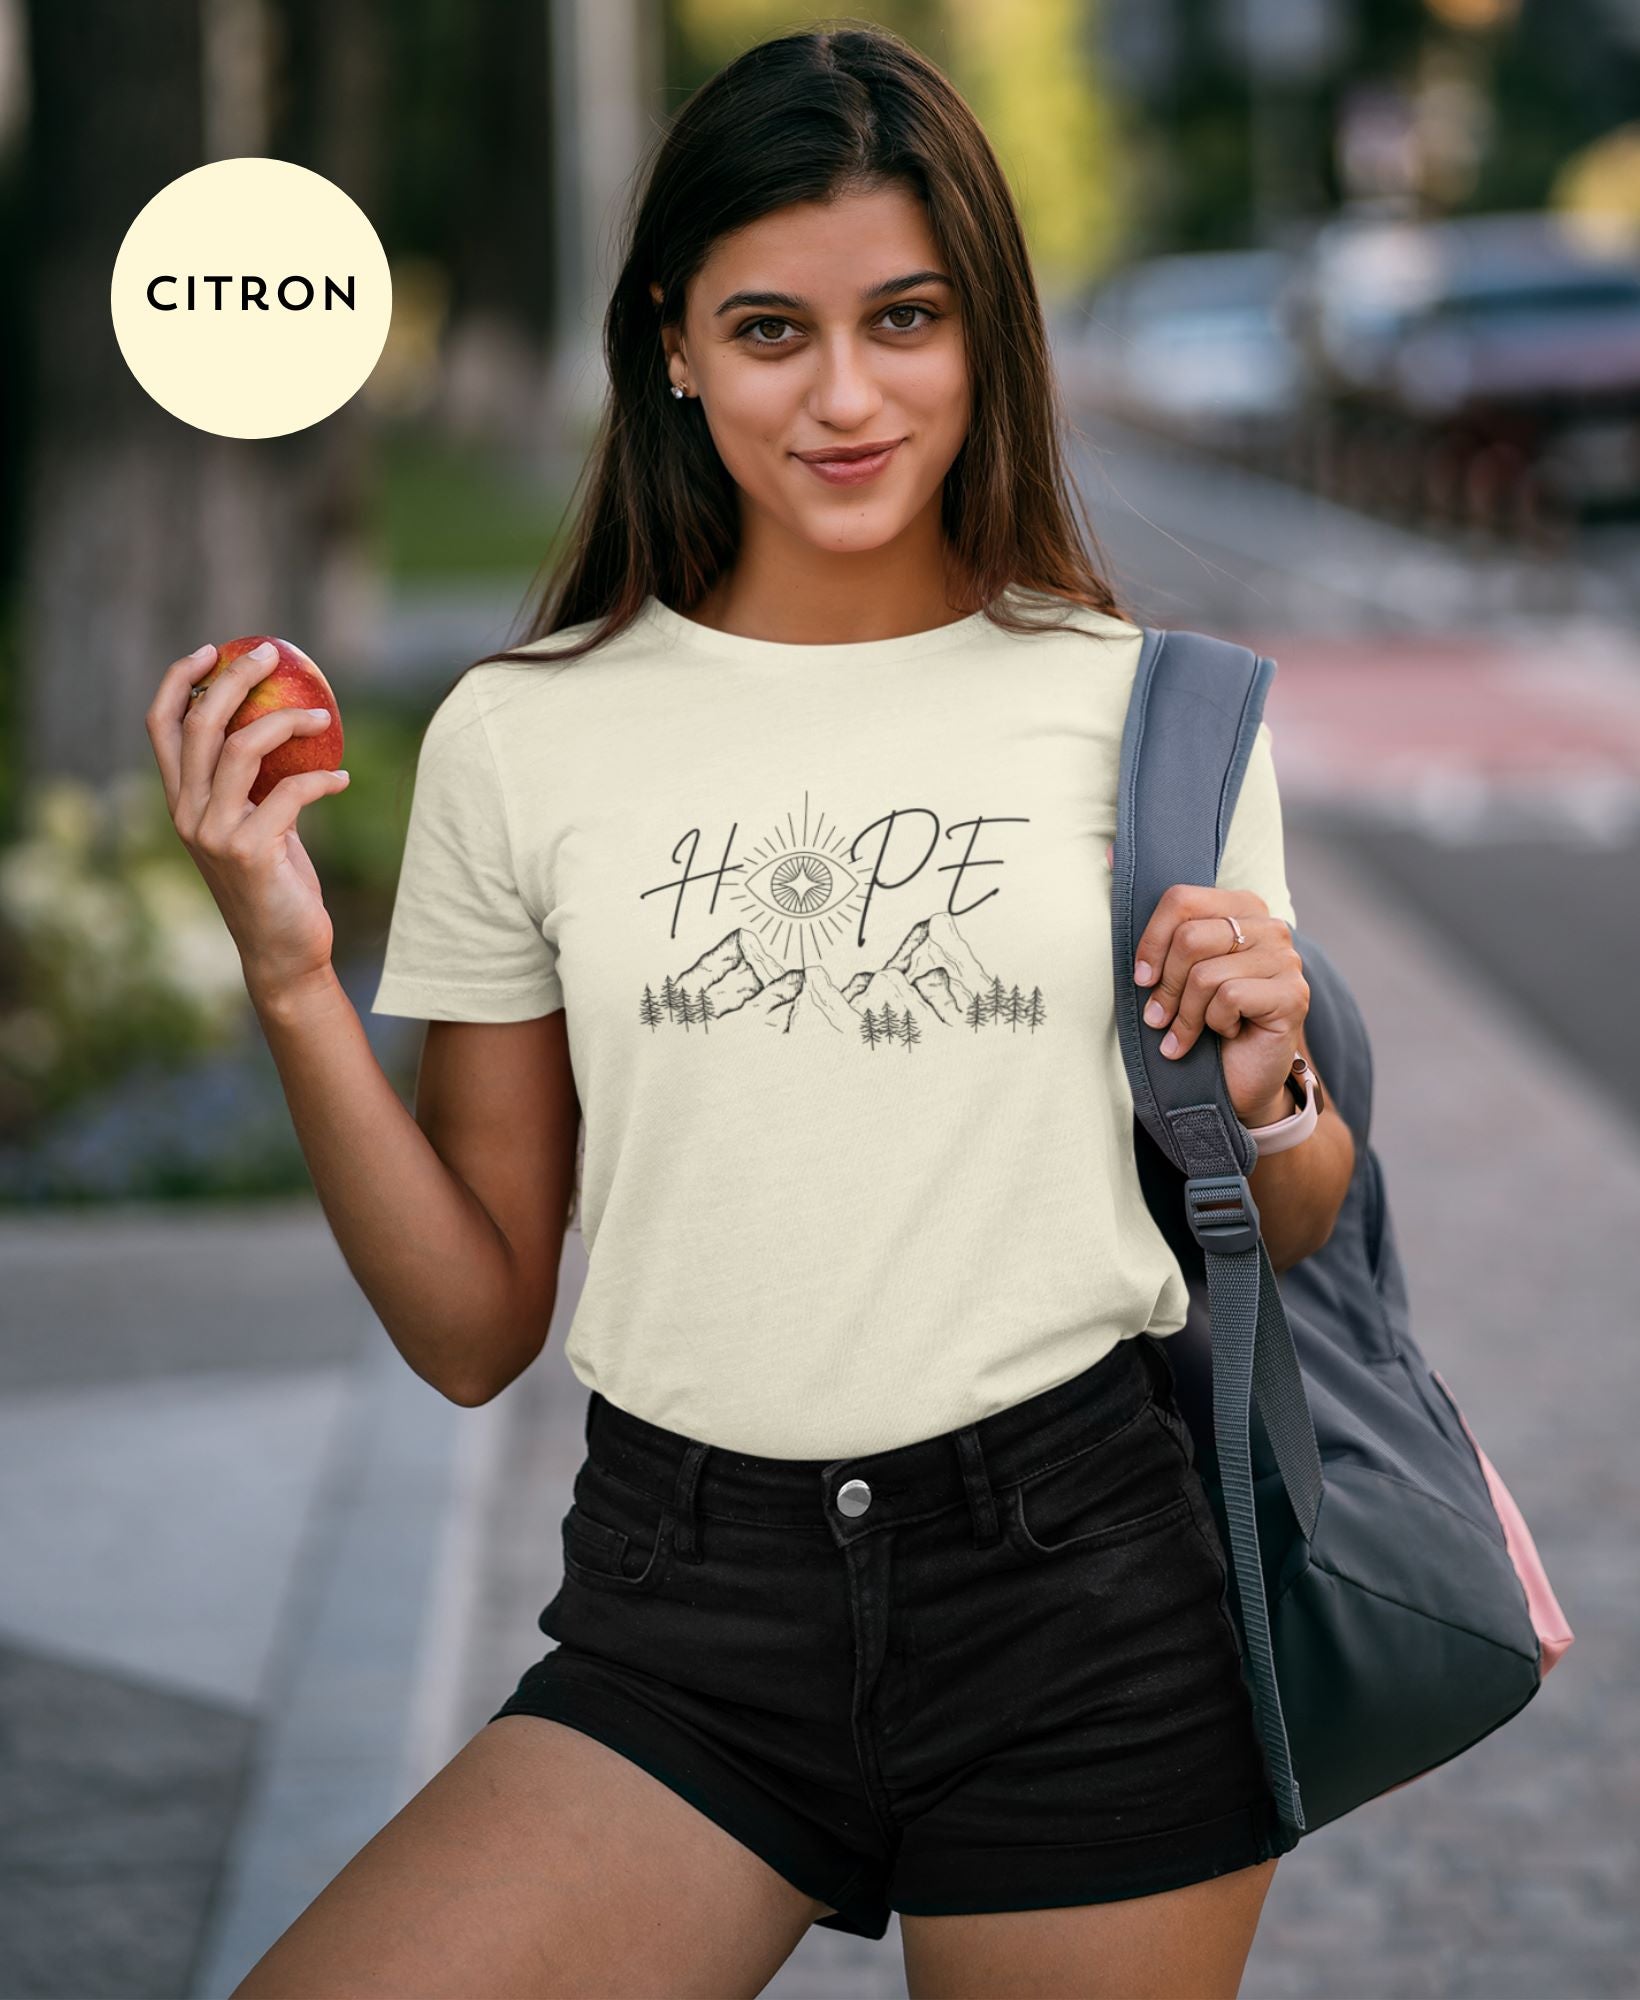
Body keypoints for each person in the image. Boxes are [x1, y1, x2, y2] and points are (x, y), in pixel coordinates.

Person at [149, 23, 1355, 1999]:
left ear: (984, 335)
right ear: (675, 345)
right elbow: (470, 1331)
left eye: (906, 317)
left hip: (1085, 1596)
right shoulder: (524, 739)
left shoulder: (1151, 708)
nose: (849, 392)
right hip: (684, 1607)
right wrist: (293, 977)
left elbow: (1282, 1213)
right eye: (772, 329)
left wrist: (1274, 1082)